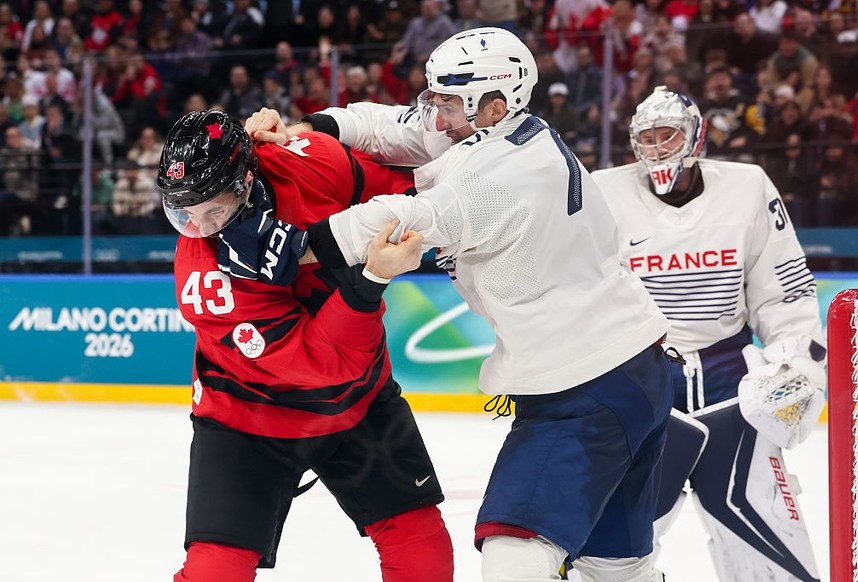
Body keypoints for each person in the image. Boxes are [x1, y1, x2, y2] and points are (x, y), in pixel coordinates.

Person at [239, 27, 673, 582]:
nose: (435, 117)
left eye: (448, 104)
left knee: (514, 558)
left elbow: (403, 218)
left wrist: (286, 246)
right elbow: (396, 126)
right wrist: (313, 127)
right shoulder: (503, 132)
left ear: (494, 104)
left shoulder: (503, 176)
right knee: (618, 570)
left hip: (584, 391)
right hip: (634, 372)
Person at [155, 109, 453, 582]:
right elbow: (323, 363)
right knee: (216, 573)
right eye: (185, 215)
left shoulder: (310, 160)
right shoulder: (204, 282)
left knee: (422, 554)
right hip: (246, 417)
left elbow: (409, 195)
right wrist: (371, 277)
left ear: (248, 177)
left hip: (357, 402)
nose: (203, 228)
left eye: (214, 208)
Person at [576, 86, 824, 581]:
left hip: (729, 384)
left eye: (668, 134)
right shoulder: (601, 190)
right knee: (612, 550)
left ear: (697, 137)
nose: (657, 147)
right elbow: (580, 290)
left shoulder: (748, 186)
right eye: (646, 137)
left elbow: (784, 291)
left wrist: (797, 363)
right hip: (641, 385)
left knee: (765, 525)